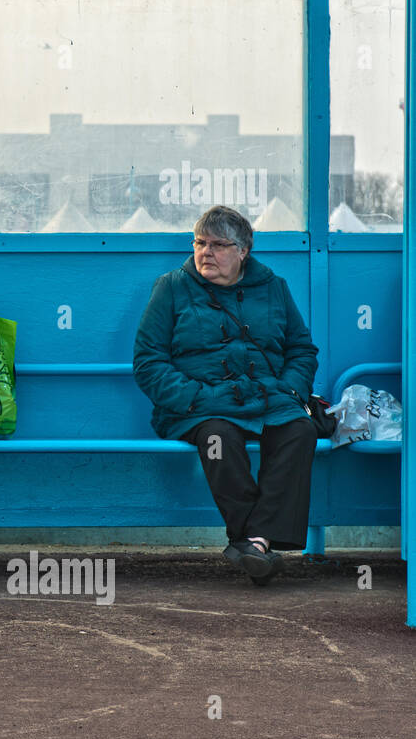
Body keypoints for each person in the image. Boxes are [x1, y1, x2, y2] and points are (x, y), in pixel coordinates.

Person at [133, 205, 318, 585]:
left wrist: (288, 389)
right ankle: (256, 542)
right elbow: (149, 361)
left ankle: (254, 543)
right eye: (200, 243)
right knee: (218, 439)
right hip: (198, 408)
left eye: (218, 245)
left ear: (242, 251)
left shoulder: (274, 287)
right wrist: (192, 397)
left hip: (268, 400)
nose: (206, 252)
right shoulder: (171, 287)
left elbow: (301, 351)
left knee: (300, 431)